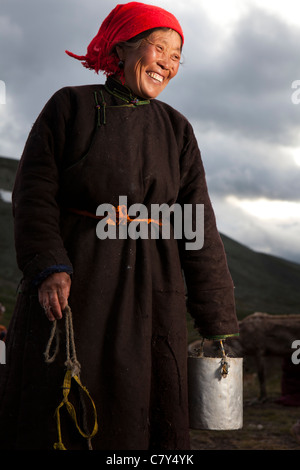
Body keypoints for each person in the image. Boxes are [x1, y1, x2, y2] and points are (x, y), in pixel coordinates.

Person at [0, 2, 239, 450]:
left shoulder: (177, 130)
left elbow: (198, 225)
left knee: (145, 407)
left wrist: (217, 319)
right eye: (160, 48)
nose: (168, 63)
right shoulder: (69, 106)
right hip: (80, 282)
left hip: (155, 290)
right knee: (66, 401)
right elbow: (34, 193)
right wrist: (50, 266)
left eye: (177, 57)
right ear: (125, 48)